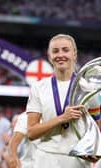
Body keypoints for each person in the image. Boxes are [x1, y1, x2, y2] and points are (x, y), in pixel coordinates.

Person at [26, 34, 95, 168]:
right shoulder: (38, 88)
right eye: (55, 51)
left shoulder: (88, 87)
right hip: (46, 158)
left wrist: (95, 148)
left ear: (74, 54)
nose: (60, 54)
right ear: (49, 56)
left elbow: (98, 127)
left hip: (77, 160)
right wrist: (62, 118)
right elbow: (31, 133)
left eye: (65, 50)